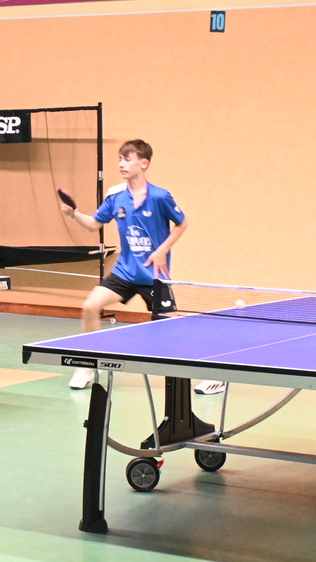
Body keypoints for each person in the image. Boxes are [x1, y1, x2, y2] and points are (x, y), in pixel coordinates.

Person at [60, 139, 215, 392]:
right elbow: (94, 224)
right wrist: (74, 214)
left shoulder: (160, 196)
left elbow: (182, 223)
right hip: (125, 272)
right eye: (120, 159)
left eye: (127, 159)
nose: (121, 164)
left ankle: (212, 374)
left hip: (154, 276)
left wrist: (162, 250)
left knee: (173, 329)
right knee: (89, 306)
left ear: (144, 164)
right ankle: (87, 366)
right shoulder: (116, 197)